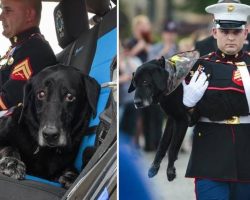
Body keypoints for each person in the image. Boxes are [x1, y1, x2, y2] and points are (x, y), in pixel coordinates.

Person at [182, 2, 250, 199]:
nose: (230, 37)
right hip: (210, 157)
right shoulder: (198, 67)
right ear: (214, 32)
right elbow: (184, 120)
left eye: (236, 32)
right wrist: (186, 106)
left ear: (245, 33)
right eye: (224, 30)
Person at [0, 0, 57, 110]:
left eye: (7, 10)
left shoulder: (36, 49)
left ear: (29, 15)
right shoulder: (20, 48)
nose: (1, 17)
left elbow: (6, 102)